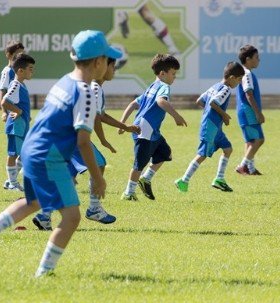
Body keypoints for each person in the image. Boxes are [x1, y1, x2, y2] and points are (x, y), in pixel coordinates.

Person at [0, 30, 121, 277]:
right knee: (71, 218)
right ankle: (44, 273)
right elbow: (82, 141)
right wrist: (98, 177)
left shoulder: (65, 81)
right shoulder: (88, 92)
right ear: (99, 61)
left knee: (33, 202)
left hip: (31, 150)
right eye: (109, 60)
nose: (112, 66)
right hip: (51, 157)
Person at [65, 56, 140, 226]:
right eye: (112, 67)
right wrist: (103, 140)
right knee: (99, 164)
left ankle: (44, 215)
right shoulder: (95, 88)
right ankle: (94, 208)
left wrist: (125, 127)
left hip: (67, 136)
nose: (114, 71)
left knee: (68, 176)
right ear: (102, 67)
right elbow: (98, 117)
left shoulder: (92, 87)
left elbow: (102, 115)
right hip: (74, 137)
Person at [118, 53, 187, 201]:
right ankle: (128, 193)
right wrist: (176, 116)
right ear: (163, 73)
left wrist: (123, 123)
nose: (174, 77)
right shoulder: (163, 86)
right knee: (139, 164)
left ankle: (146, 179)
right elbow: (161, 101)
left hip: (152, 131)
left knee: (165, 154)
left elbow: (133, 104)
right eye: (173, 74)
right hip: (145, 131)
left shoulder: (151, 87)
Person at [175, 61, 245, 194]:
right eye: (239, 79)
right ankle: (183, 180)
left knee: (228, 149)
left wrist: (210, 112)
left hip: (215, 127)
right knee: (202, 155)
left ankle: (219, 179)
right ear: (231, 78)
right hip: (210, 127)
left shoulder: (215, 86)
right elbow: (213, 102)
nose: (239, 83)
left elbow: (200, 101)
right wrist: (223, 115)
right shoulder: (225, 89)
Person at [1, 53, 36, 192]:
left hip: (22, 125)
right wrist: (19, 112)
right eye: (30, 68)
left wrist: (25, 114)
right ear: (20, 71)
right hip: (16, 126)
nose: (32, 71)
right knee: (14, 154)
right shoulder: (15, 85)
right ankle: (12, 182)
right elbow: (5, 101)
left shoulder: (21, 84)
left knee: (22, 153)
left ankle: (11, 180)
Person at [0, 41, 25, 190]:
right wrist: (4, 112)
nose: (20, 56)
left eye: (22, 53)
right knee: (14, 151)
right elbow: (3, 91)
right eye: (17, 54)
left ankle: (12, 180)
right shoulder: (7, 71)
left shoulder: (18, 72)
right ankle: (11, 181)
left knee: (24, 150)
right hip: (13, 116)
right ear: (9, 55)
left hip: (20, 117)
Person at [235, 45, 265, 176]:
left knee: (250, 141)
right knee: (259, 140)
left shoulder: (243, 73)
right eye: (256, 57)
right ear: (248, 59)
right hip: (248, 111)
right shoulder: (247, 74)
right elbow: (249, 94)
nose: (259, 60)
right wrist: (258, 113)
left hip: (243, 111)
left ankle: (251, 169)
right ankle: (242, 166)